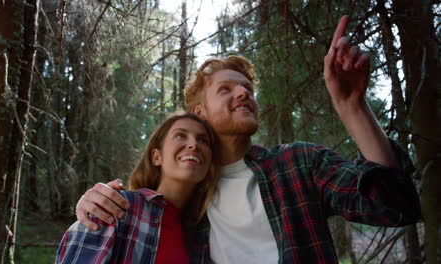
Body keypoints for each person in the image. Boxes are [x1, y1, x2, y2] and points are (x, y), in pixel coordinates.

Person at [74, 16, 420, 263]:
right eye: (225, 89)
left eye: (247, 88)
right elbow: (138, 219)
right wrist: (91, 207)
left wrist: (352, 108)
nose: (243, 93)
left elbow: (394, 205)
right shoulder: (189, 197)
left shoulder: (298, 163)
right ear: (200, 113)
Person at [56, 112, 219, 263]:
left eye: (202, 140)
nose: (193, 144)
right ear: (157, 157)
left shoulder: (206, 230)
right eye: (180, 135)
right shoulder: (115, 207)